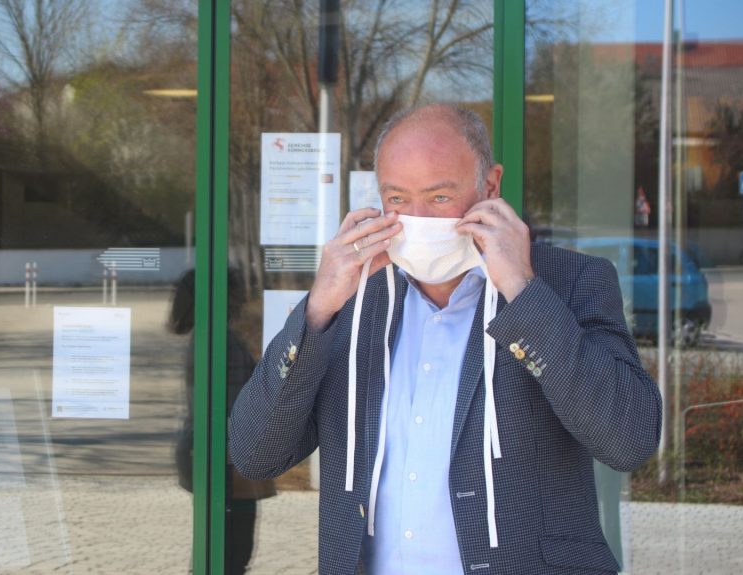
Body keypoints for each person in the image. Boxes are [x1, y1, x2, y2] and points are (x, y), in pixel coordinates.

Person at [228, 104, 662, 575]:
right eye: (397, 199)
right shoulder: (352, 299)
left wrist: (523, 292)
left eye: (438, 198)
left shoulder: (569, 282)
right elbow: (256, 451)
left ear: (490, 187)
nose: (414, 219)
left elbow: (630, 440)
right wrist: (316, 311)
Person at [169, 269, 276, 574]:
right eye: (236, 292)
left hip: (217, 453)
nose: (242, 300)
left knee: (220, 553)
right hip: (225, 458)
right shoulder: (218, 339)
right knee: (228, 554)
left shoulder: (209, 335)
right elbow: (232, 404)